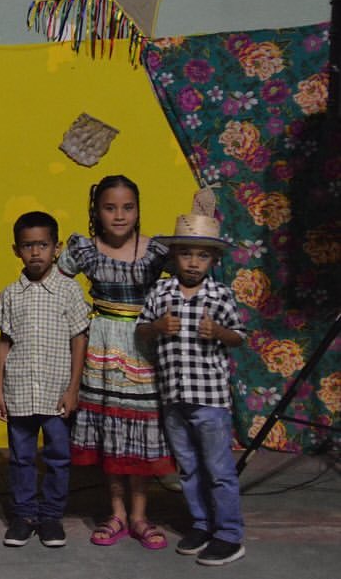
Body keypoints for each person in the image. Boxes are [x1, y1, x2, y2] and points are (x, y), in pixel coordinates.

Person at [57, 175, 173, 549]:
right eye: (110, 208)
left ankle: (140, 515)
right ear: (97, 211)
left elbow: (192, 278)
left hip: (143, 348)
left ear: (138, 210)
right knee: (111, 432)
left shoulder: (157, 251)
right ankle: (117, 513)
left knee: (140, 434)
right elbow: (54, 284)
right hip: (101, 349)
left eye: (128, 207)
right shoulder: (84, 250)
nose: (119, 215)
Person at [135, 208, 246, 566]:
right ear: (174, 256)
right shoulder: (162, 291)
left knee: (218, 468)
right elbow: (141, 329)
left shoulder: (219, 295)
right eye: (186, 253)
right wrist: (156, 328)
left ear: (213, 259)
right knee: (188, 467)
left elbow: (239, 338)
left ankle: (228, 534)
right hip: (173, 397)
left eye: (202, 255)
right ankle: (201, 523)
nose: (194, 262)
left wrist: (220, 333)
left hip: (209, 399)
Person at [0, 212, 90, 549]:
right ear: (16, 250)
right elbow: (4, 342)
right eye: (28, 246)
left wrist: (73, 388)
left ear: (57, 248)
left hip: (55, 392)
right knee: (20, 457)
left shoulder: (68, 290)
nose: (36, 252)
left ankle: (50, 516)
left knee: (57, 456)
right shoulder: (11, 293)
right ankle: (24, 515)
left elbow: (80, 337)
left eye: (43, 245)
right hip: (19, 390)